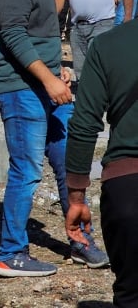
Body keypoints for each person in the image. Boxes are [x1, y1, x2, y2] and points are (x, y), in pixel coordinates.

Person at [0, 0, 108, 278]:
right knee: (26, 170)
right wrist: (49, 79)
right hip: (19, 88)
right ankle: (11, 254)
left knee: (69, 164)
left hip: (44, 84)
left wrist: (58, 70)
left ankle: (79, 239)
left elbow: (36, 37)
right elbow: (12, 35)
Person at [65, 20, 138, 307]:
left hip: (128, 188)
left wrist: (76, 196)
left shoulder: (108, 45)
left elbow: (83, 124)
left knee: (132, 295)